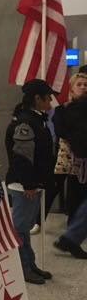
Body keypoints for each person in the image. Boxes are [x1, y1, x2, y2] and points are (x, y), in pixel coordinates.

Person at [5, 79, 56, 283]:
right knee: (20, 228)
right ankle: (22, 267)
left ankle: (30, 264)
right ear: (37, 98)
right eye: (48, 98)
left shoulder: (36, 118)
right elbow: (22, 157)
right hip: (23, 185)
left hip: (31, 183)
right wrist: (29, 184)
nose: (51, 102)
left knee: (24, 228)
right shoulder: (26, 122)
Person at [53, 72, 87, 259]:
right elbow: (62, 132)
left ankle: (72, 238)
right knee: (74, 198)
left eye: (86, 84)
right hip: (73, 162)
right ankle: (71, 238)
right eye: (79, 84)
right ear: (72, 88)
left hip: (81, 158)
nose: (83, 87)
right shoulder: (65, 110)